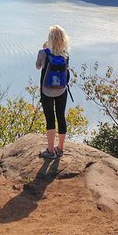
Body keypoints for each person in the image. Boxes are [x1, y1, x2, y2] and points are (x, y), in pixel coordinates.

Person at [36, 25, 70, 159]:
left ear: (49, 39)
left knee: (50, 118)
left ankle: (50, 151)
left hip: (46, 90)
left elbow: (38, 66)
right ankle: (60, 148)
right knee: (61, 116)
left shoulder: (43, 52)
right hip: (61, 90)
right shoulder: (65, 54)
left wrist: (45, 48)